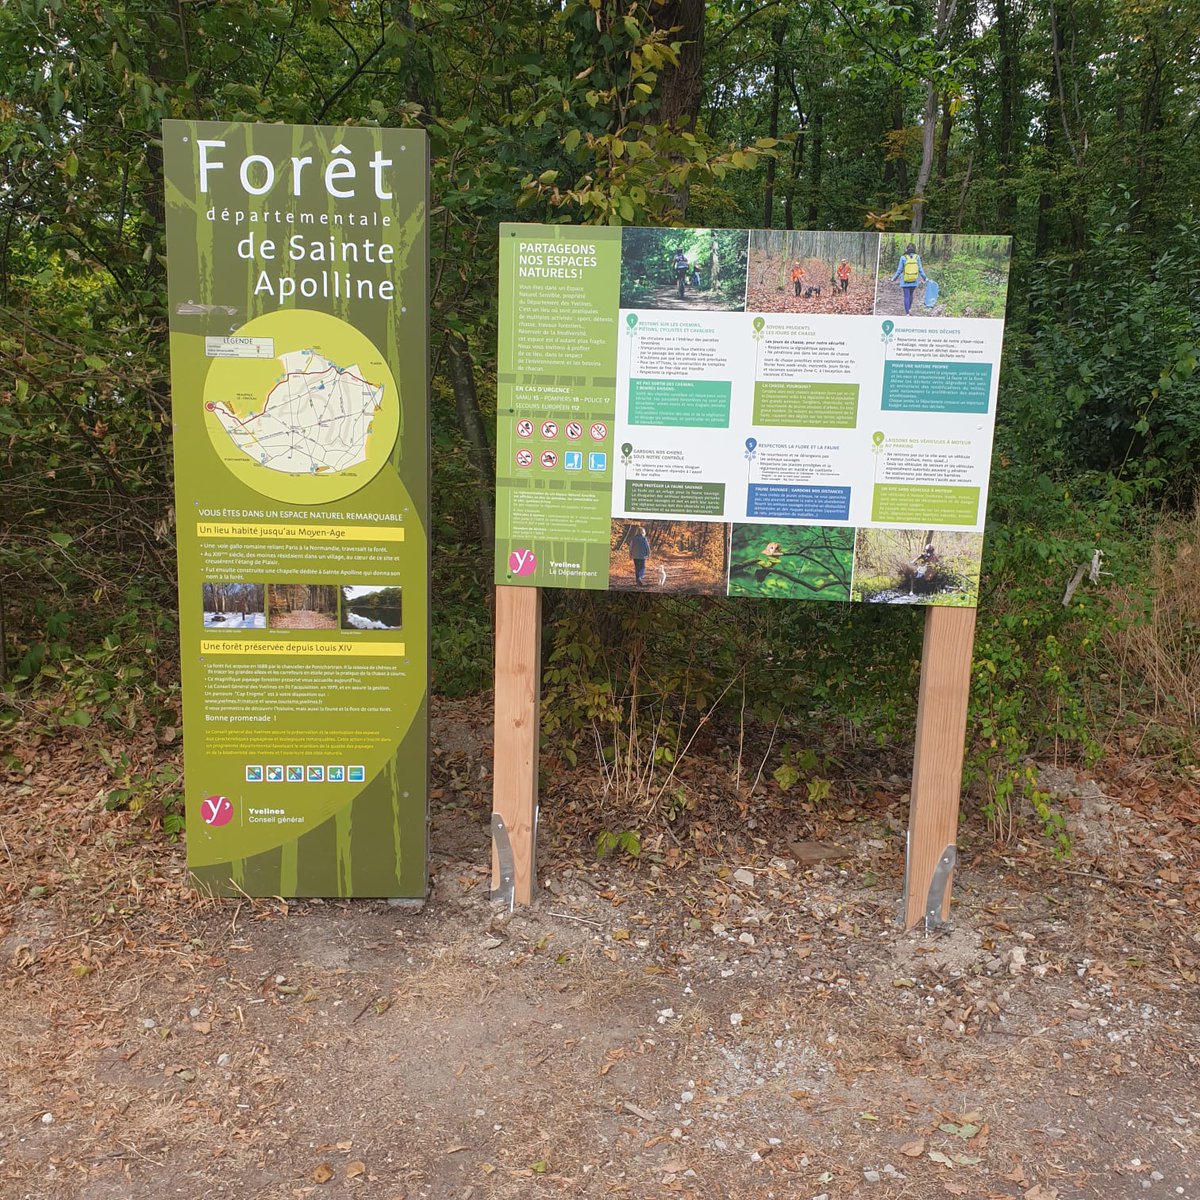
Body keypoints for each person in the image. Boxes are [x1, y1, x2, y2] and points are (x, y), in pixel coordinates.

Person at [890, 242, 926, 315]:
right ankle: (909, 309)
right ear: (914, 249)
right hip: (914, 280)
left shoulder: (903, 257)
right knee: (911, 295)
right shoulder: (917, 257)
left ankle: (907, 313)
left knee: (906, 296)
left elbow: (899, 270)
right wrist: (925, 278)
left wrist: (893, 278)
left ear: (906, 249)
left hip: (905, 280)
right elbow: (920, 269)